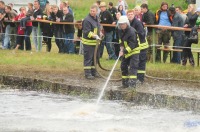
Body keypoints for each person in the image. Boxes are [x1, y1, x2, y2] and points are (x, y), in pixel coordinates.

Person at [127, 9, 148, 84]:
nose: (130, 16)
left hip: (142, 46)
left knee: (141, 63)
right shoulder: (128, 23)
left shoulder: (138, 23)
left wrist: (133, 36)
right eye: (128, 14)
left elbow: (141, 34)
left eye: (131, 14)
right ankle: (136, 78)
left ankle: (140, 79)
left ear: (134, 15)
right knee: (135, 62)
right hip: (136, 46)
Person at [118, 16, 140, 88]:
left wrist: (123, 51)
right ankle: (125, 84)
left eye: (123, 24)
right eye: (120, 24)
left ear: (127, 23)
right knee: (123, 66)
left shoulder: (131, 31)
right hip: (127, 52)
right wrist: (121, 48)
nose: (122, 25)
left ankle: (132, 86)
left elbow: (132, 44)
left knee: (133, 68)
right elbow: (121, 41)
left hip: (134, 51)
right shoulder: (121, 31)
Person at [82, 4, 101, 79]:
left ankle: (94, 72)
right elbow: (87, 31)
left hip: (95, 43)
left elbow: (97, 27)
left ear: (96, 12)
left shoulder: (97, 18)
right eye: (91, 11)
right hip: (88, 43)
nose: (92, 12)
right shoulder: (87, 20)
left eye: (93, 11)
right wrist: (95, 36)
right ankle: (87, 73)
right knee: (88, 58)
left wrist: (100, 33)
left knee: (95, 58)